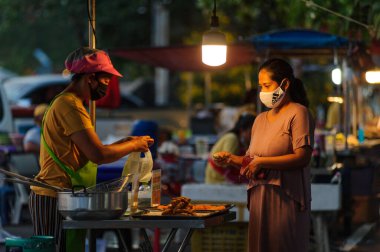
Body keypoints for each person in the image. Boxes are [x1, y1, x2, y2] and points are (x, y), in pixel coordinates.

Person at [28, 47, 154, 252]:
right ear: (90, 78)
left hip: (67, 195)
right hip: (53, 195)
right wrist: (133, 145)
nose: (106, 87)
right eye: (105, 81)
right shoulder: (69, 106)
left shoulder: (71, 103)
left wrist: (126, 141)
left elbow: (91, 150)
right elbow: (98, 155)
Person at [213, 58, 314, 252]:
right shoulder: (259, 120)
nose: (263, 92)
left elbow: (303, 156)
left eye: (267, 85)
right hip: (259, 196)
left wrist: (261, 162)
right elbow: (254, 160)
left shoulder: (298, 113)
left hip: (286, 197)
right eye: (261, 86)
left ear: (284, 84)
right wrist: (233, 159)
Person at [206, 113, 255, 184]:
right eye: (251, 132)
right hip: (216, 179)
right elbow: (226, 162)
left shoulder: (242, 143)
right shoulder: (232, 138)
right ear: (242, 130)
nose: (253, 136)